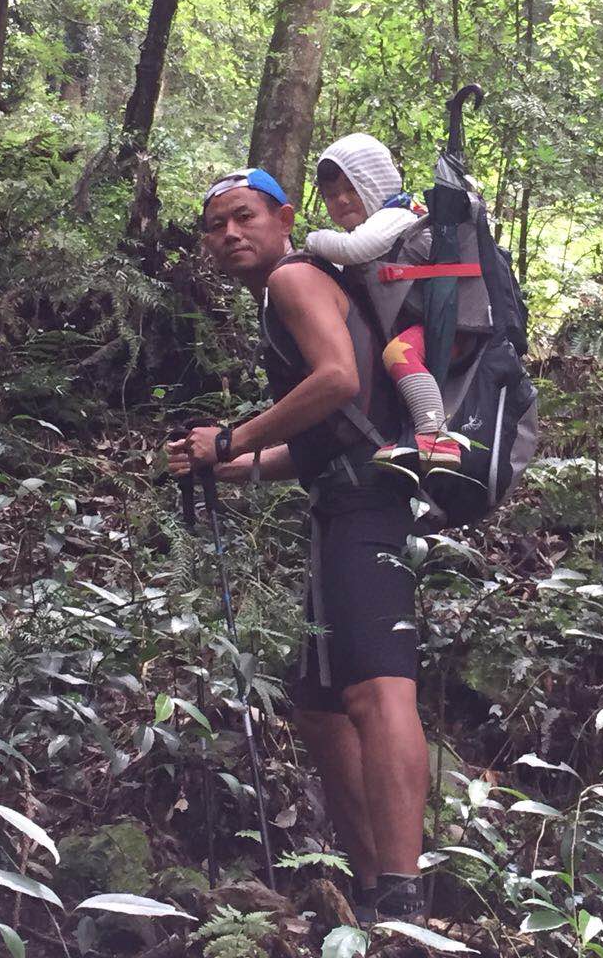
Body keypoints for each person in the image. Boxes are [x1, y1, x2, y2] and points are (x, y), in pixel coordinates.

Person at [166, 167, 429, 925]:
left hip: (367, 503)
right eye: (215, 227)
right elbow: (316, 441)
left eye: (243, 217)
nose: (229, 235)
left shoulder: (293, 279)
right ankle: (372, 882)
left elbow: (340, 380)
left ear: (284, 218)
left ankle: (402, 899)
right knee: (318, 708)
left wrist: (233, 436)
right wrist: (227, 461)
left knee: (377, 690)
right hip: (337, 501)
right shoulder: (286, 293)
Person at [306, 133, 460, 470]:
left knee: (398, 354)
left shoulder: (397, 216)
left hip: (453, 326)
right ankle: (410, 441)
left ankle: (437, 439)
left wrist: (311, 239)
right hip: (427, 321)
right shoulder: (376, 228)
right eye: (332, 195)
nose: (342, 200)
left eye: (352, 189)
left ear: (375, 184)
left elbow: (354, 249)